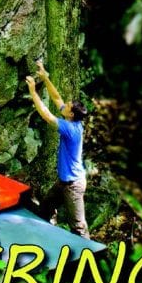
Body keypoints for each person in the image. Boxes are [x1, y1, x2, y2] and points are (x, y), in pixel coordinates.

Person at [25, 61, 90, 238]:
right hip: (64, 182)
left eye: (68, 106)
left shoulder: (70, 129)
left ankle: (89, 256)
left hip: (73, 185)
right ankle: (44, 235)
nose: (65, 104)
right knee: (46, 206)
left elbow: (46, 114)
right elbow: (56, 98)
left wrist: (32, 91)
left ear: (71, 114)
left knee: (78, 226)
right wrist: (45, 78)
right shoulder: (72, 120)